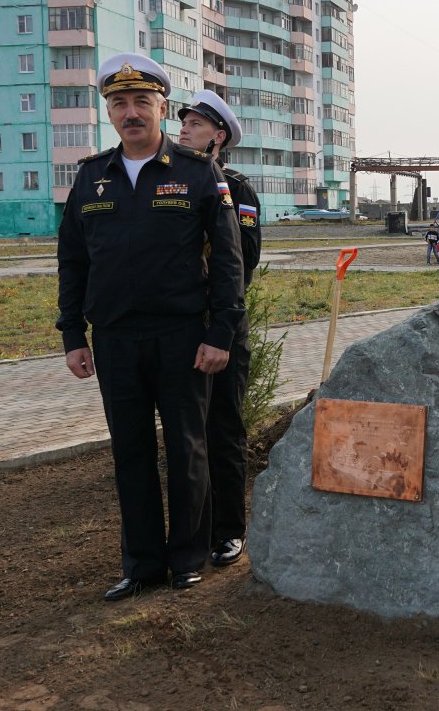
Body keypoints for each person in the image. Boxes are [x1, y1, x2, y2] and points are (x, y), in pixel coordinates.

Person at [56, 53, 245, 601]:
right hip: (115, 340)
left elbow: (228, 261)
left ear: (162, 107)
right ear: (109, 113)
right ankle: (141, 565)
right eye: (119, 103)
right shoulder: (91, 176)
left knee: (188, 449)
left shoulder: (197, 172)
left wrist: (221, 333)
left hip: (182, 337)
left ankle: (187, 558)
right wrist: (73, 335)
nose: (131, 113)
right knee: (130, 452)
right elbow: (72, 261)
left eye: (142, 101)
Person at [176, 90, 262, 568]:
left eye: (195, 124)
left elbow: (242, 261)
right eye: (184, 122)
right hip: (179, 325)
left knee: (223, 429)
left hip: (223, 326)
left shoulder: (237, 190)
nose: (184, 129)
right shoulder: (170, 184)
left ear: (219, 136)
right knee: (187, 435)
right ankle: (193, 532)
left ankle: (229, 530)